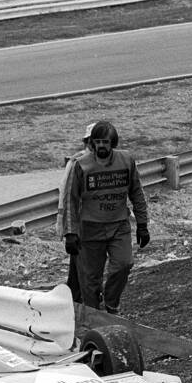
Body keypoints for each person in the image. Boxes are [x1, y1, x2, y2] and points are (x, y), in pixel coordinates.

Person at [62, 121, 150, 315]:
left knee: (124, 264)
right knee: (89, 280)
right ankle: (95, 317)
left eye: (106, 142)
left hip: (119, 226)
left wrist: (142, 224)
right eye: (98, 142)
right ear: (92, 143)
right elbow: (70, 201)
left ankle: (111, 304)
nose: (102, 146)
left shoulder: (126, 161)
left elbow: (137, 193)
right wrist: (70, 233)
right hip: (90, 230)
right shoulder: (81, 165)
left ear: (113, 143)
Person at [56, 122, 95, 303]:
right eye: (92, 142)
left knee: (83, 270)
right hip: (81, 226)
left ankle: (75, 302)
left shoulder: (111, 162)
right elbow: (67, 197)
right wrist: (69, 231)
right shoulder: (77, 164)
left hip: (99, 225)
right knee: (82, 269)